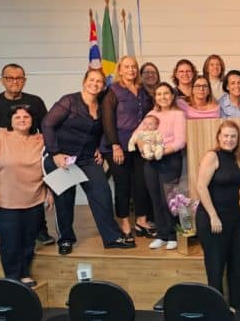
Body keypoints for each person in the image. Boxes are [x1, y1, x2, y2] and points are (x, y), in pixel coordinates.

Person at [42, 69, 134, 255]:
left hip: (86, 158)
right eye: (92, 80)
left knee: (102, 193)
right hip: (62, 157)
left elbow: (102, 129)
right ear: (84, 81)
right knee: (65, 200)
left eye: (99, 81)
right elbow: (47, 124)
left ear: (103, 85)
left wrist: (98, 147)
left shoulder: (102, 105)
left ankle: (112, 237)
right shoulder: (69, 101)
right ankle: (66, 239)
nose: (95, 84)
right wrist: (55, 153)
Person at [0, 106, 54, 286]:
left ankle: (24, 273)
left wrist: (50, 190)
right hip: (3, 202)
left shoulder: (41, 140)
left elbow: (48, 166)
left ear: (32, 121)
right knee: (10, 241)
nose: (22, 119)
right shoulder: (0, 139)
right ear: (11, 121)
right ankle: (12, 277)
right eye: (17, 116)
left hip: (33, 200)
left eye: (26, 116)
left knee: (28, 241)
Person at [0, 63, 53, 245]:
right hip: (4, 156)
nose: (15, 81)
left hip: (30, 153)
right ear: (2, 80)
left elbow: (47, 128)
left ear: (24, 81)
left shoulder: (35, 101)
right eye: (10, 78)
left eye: (19, 78)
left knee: (34, 191)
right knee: (7, 198)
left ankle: (40, 231)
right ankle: (9, 233)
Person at [195, 121, 240, 310]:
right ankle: (216, 310)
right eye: (225, 135)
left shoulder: (235, 158)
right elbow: (201, 187)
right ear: (219, 137)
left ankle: (238, 307)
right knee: (216, 267)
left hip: (235, 218)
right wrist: (213, 215)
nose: (229, 139)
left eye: (233, 136)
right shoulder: (212, 156)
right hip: (213, 219)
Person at [101, 56, 154, 241]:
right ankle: (124, 222)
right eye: (127, 67)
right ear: (120, 70)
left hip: (139, 145)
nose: (131, 70)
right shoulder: (112, 90)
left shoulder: (142, 91)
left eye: (134, 67)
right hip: (119, 145)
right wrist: (114, 145)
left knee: (142, 183)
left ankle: (141, 220)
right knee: (123, 185)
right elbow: (107, 120)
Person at [140, 82, 187, 250]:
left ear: (172, 96)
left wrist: (160, 152)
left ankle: (173, 235)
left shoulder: (178, 114)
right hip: (151, 161)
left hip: (170, 159)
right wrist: (143, 150)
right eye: (159, 94)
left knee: (169, 199)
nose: (163, 97)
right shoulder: (151, 113)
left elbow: (180, 141)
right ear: (155, 97)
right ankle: (162, 234)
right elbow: (138, 135)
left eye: (166, 93)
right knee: (155, 198)